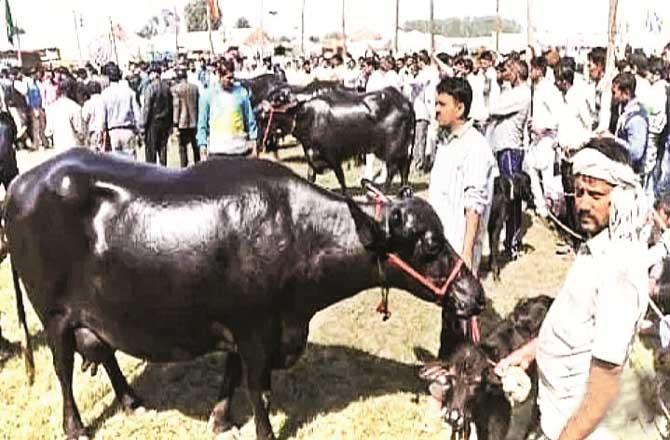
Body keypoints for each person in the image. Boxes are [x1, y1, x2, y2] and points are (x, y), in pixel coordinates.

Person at [496, 137, 649, 440]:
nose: (583, 203)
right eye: (579, 192)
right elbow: (574, 324)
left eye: (595, 194)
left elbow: (606, 379)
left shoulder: (619, 269)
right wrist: (530, 352)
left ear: (622, 197)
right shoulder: (597, 247)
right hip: (558, 420)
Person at [428, 77, 497, 276]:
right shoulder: (446, 141)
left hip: (459, 248)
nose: (437, 110)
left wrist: (466, 253)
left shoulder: (475, 146)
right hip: (442, 243)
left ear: (459, 109)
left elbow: (474, 204)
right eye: (436, 104)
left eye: (442, 104)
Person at [487, 57, 531, 259]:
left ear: (517, 73)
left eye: (509, 70)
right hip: (503, 149)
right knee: (502, 198)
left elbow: (493, 109)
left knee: (511, 198)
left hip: (510, 151)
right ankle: (507, 239)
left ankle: (512, 243)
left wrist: (499, 85)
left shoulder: (521, 93)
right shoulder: (511, 92)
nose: (505, 73)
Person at [196, 59, 257, 160]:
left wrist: (254, 147)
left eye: (233, 77)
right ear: (220, 76)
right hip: (217, 153)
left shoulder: (241, 93)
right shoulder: (208, 95)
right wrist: (203, 150)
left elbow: (250, 120)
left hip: (239, 151)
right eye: (228, 78)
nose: (232, 81)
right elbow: (202, 125)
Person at [528, 56, 565, 218]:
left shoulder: (550, 90)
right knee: (530, 167)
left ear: (538, 70)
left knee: (548, 177)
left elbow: (559, 116)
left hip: (547, 139)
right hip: (536, 140)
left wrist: (543, 128)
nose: (530, 73)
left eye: (532, 69)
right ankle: (541, 207)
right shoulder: (535, 89)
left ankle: (553, 213)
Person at [100, 62, 142, 157]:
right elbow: (137, 116)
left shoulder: (105, 94)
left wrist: (102, 133)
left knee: (116, 165)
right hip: (128, 131)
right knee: (130, 163)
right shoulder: (130, 92)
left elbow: (102, 119)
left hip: (113, 132)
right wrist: (139, 132)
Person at [611, 73, 648, 177]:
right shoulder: (623, 110)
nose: (613, 96)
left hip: (632, 174)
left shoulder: (636, 119)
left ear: (626, 93)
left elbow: (636, 153)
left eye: (615, 93)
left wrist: (613, 141)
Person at [142, 65, 173, 166]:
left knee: (151, 152)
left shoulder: (150, 88)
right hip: (165, 123)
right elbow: (171, 106)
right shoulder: (167, 87)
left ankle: (151, 175)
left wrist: (143, 125)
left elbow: (147, 108)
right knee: (162, 149)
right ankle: (163, 171)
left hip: (152, 123)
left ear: (154, 74)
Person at [44, 78, 85, 150]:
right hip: (74, 147)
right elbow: (79, 130)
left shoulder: (52, 107)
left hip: (59, 147)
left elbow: (48, 132)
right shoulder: (75, 107)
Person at [172, 67, 200, 167]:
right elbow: (198, 104)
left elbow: (176, 106)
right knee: (195, 146)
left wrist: (175, 123)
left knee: (182, 147)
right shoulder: (195, 88)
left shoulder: (175, 89)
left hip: (181, 122)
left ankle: (184, 167)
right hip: (194, 120)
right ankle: (198, 166)